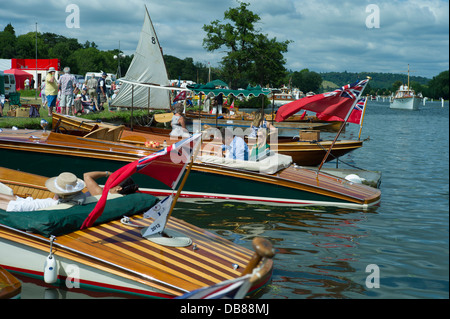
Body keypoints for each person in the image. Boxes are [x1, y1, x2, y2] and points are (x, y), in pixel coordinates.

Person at [0, 172, 85, 212]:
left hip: (37, 206)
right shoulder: (80, 198)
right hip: (36, 202)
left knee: (16, 203)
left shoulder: (54, 204)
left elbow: (15, 207)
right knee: (18, 199)